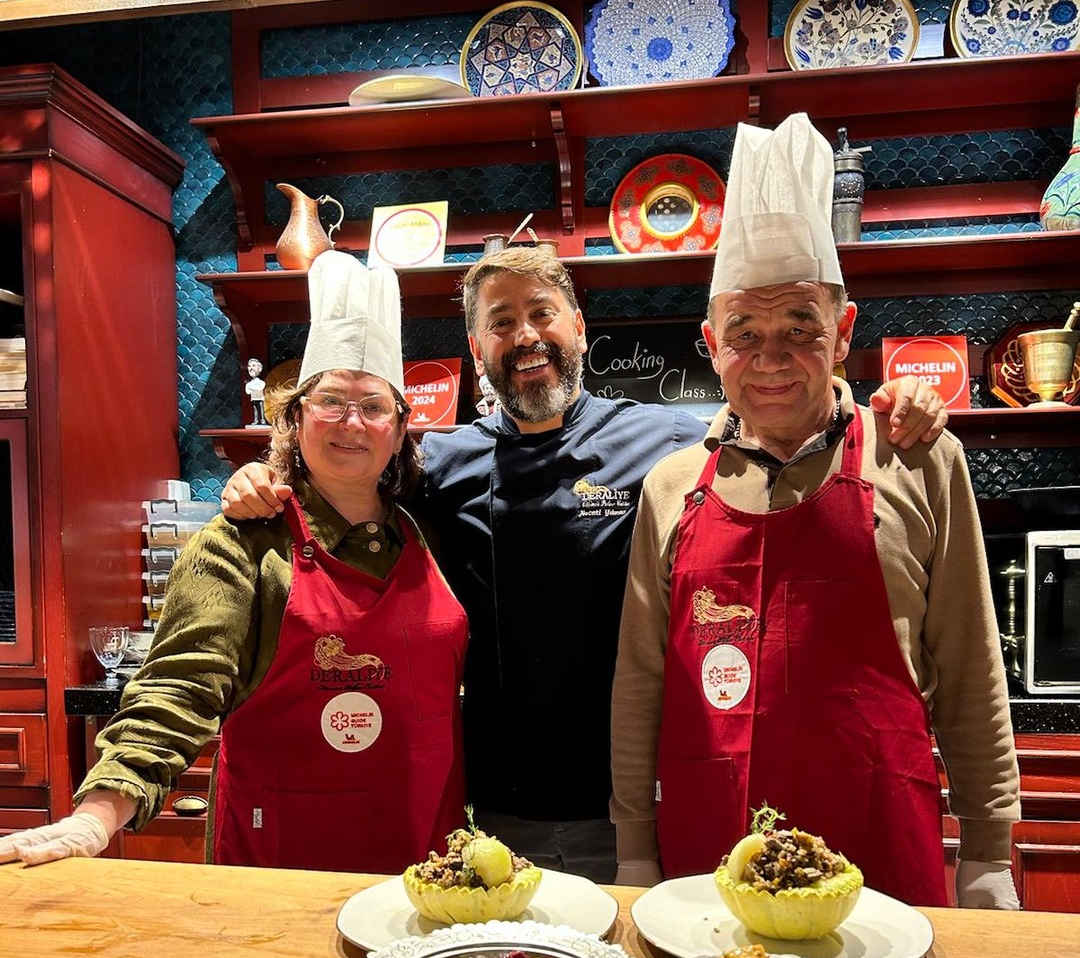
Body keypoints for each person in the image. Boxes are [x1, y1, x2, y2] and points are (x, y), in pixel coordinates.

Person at [219, 246, 947, 884]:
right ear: (477, 346)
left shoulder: (667, 441)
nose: (524, 335)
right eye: (501, 322)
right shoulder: (439, 463)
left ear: (578, 326)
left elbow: (780, 429)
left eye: (541, 313)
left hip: (635, 799)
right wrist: (263, 480)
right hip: (491, 803)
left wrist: (888, 403)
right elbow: (340, 481)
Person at [610, 114, 1020, 909]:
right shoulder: (670, 487)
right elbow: (640, 683)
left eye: (800, 327)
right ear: (711, 343)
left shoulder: (919, 456)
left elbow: (971, 664)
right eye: (744, 332)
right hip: (709, 848)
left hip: (877, 839)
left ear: (842, 332)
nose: (770, 356)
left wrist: (988, 849)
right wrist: (633, 849)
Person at [0, 251, 466, 871]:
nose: (352, 422)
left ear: (401, 426)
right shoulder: (240, 540)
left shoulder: (431, 531)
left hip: (425, 848)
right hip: (284, 856)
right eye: (331, 400)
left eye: (374, 406)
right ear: (295, 417)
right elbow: (180, 683)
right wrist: (97, 816)